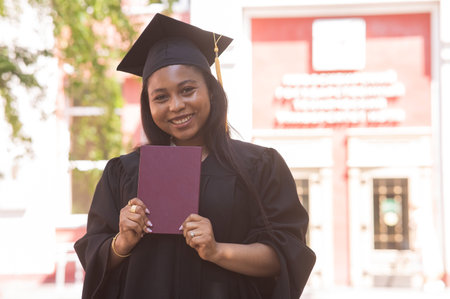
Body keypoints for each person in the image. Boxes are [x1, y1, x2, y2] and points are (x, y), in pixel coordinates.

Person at [74, 13, 315, 299]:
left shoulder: (260, 166)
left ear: (211, 93)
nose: (176, 105)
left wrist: (217, 250)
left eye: (187, 90)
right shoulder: (123, 172)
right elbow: (94, 255)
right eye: (160, 97)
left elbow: (285, 255)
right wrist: (121, 242)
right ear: (148, 104)